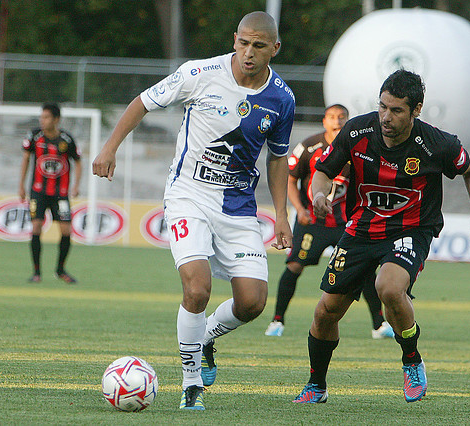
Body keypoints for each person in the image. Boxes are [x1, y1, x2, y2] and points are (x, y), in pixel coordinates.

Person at [92, 11, 295, 411]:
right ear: (234, 39)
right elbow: (144, 101)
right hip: (188, 193)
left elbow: (277, 159)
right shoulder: (199, 73)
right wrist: (109, 146)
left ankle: (204, 338)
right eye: (243, 43)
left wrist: (283, 215)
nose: (248, 53)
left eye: (258, 46)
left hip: (238, 206)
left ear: (275, 48)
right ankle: (191, 386)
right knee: (197, 287)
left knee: (253, 302)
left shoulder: (282, 99)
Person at [293, 69, 470, 404]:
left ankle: (411, 359)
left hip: (411, 230)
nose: (386, 117)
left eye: (396, 110)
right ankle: (317, 385)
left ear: (416, 110)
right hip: (361, 229)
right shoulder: (357, 130)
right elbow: (323, 172)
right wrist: (318, 196)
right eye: (383, 107)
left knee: (388, 287)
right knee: (326, 311)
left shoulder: (436, 144)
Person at [264, 104, 394, 340]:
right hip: (312, 221)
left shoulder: (360, 147)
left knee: (365, 272)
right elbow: (291, 179)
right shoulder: (309, 146)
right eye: (332, 118)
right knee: (294, 266)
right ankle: (277, 321)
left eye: (342, 118)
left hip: (348, 223)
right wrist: (300, 209)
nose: (337, 122)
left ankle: (379, 324)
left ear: (348, 121)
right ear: (324, 121)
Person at [19, 102, 82, 284]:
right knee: (36, 227)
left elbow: (78, 162)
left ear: (56, 119)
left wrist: (76, 185)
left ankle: (60, 270)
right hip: (38, 191)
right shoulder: (34, 136)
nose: (42, 120)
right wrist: (21, 185)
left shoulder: (66, 140)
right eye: (41, 117)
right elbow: (25, 159)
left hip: (60, 193)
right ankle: (36, 272)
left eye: (46, 117)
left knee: (66, 230)